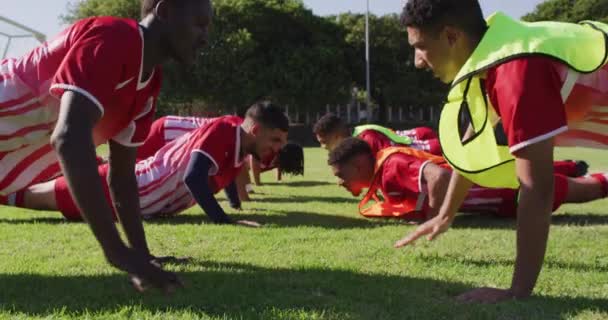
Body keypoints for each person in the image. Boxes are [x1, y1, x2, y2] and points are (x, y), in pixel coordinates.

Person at [399, 0, 608, 302]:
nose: (417, 61)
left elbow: (537, 188)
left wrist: (517, 292)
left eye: (420, 46)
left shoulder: (515, 70)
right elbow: (474, 148)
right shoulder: (495, 54)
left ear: (450, 36)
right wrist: (445, 215)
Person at [0, 0, 212, 291]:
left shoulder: (148, 83)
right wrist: (116, 251)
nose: (205, 36)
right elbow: (69, 137)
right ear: (164, 11)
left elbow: (122, 178)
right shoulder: (112, 37)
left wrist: (140, 255)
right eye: (200, 23)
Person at [5, 102, 289, 227]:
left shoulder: (236, 143)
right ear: (255, 131)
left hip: (141, 196)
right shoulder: (225, 132)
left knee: (31, 189)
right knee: (24, 196)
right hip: (130, 190)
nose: (276, 149)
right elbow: (194, 177)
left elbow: (218, 178)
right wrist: (224, 220)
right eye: (275, 140)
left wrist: (234, 207)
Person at [329, 138, 601, 221]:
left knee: (591, 189)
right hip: (505, 197)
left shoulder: (390, 167)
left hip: (510, 189)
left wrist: (437, 219)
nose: (340, 183)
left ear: (359, 164)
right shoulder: (383, 174)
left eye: (341, 175)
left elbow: (440, 178)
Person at [313, 113, 441, 155]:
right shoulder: (359, 134)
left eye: (324, 142)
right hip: (421, 138)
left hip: (429, 147)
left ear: (336, 137)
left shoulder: (367, 138)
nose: (323, 147)